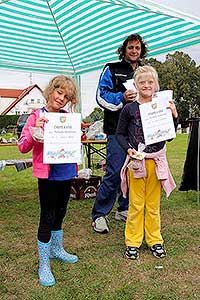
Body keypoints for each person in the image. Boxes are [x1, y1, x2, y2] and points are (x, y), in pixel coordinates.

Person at [18, 75, 79, 287]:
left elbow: (73, 144)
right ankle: (44, 263)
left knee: (61, 212)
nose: (61, 99)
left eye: (67, 96)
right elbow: (22, 146)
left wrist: (75, 133)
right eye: (59, 92)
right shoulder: (36, 116)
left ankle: (56, 250)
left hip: (66, 171)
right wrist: (36, 133)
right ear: (50, 91)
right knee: (47, 215)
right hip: (47, 175)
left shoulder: (67, 117)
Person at [116, 66, 178, 259]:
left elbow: (170, 136)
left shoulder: (162, 106)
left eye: (150, 82)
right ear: (136, 84)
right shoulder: (129, 108)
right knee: (135, 204)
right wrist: (128, 149)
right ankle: (132, 242)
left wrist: (174, 115)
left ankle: (155, 240)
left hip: (156, 161)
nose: (146, 85)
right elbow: (119, 134)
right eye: (142, 82)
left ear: (156, 85)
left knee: (152, 205)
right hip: (136, 162)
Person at [92, 34, 148, 233]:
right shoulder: (112, 68)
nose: (134, 51)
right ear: (124, 49)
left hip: (140, 132)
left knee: (134, 170)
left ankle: (123, 208)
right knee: (115, 172)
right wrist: (121, 97)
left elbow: (152, 94)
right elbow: (101, 96)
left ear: (142, 50)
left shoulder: (145, 71)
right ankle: (99, 214)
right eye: (131, 47)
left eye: (137, 48)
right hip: (116, 130)